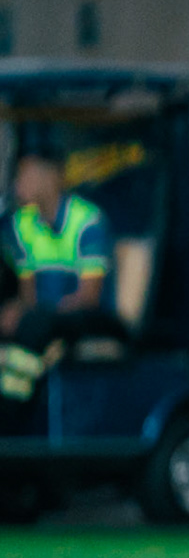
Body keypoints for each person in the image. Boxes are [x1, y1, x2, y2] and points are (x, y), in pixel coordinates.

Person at [0, 147, 117, 398]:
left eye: (26, 175)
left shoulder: (87, 222)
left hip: (88, 317)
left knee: (35, 325)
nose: (19, 184)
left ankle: (13, 405)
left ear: (50, 176)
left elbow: (88, 298)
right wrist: (17, 310)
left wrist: (36, 315)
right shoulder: (23, 224)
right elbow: (27, 294)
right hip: (44, 318)